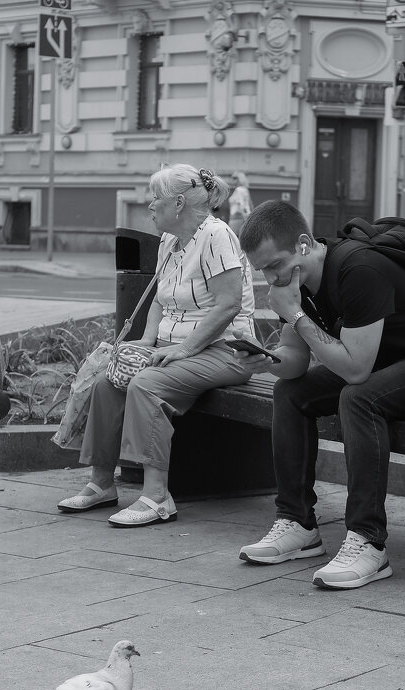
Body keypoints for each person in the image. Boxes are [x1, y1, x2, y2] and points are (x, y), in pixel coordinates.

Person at [233, 200, 405, 589]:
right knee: (290, 392)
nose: (271, 278)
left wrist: (296, 315)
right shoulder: (295, 281)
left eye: (276, 264)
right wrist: (267, 359)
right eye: (262, 270)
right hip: (381, 364)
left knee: (358, 398)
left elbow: (356, 369)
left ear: (305, 244)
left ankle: (369, 543)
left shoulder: (358, 269)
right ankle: (297, 524)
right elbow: (295, 359)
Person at [58, 164, 257, 526]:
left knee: (146, 384)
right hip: (175, 347)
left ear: (178, 203)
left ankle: (156, 496)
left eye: (156, 199)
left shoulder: (216, 235)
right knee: (107, 384)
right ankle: (101, 484)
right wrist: (147, 343)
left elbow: (229, 304)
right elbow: (160, 299)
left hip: (227, 351)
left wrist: (184, 349)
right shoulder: (169, 240)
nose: (149, 205)